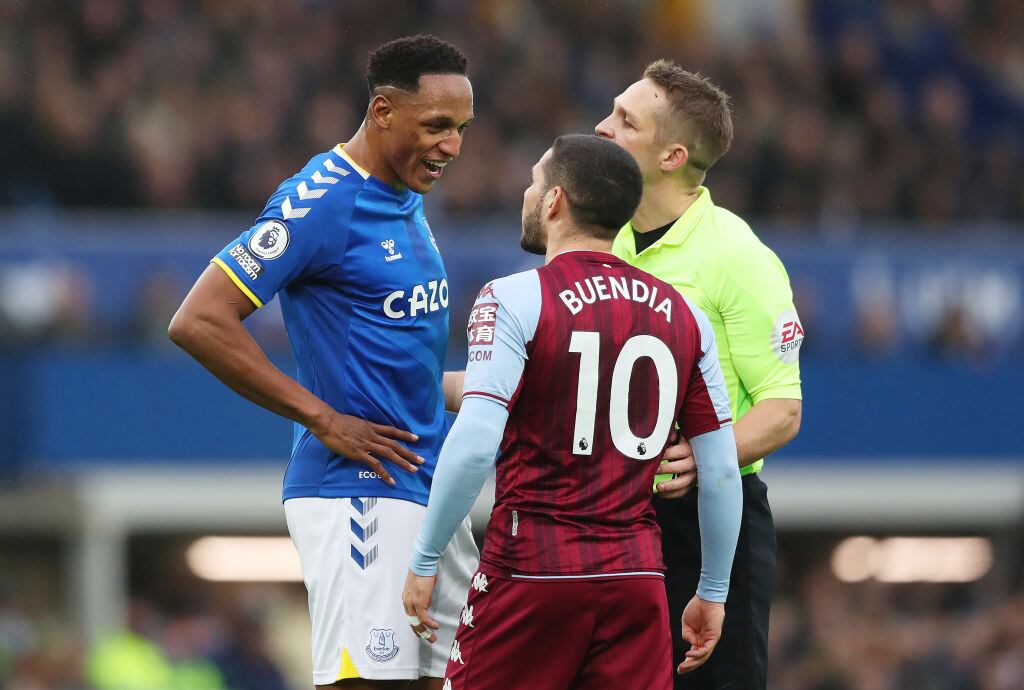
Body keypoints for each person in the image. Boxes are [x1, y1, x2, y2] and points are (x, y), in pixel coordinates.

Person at [169, 35, 478, 690]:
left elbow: (390, 355)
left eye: (460, 129)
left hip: (426, 486)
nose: (452, 145)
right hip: (358, 493)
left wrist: (477, 389)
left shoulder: (405, 195)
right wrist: (323, 419)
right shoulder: (322, 201)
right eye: (437, 126)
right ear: (383, 111)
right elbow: (197, 319)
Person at [401, 134, 743, 690]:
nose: (528, 194)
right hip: (637, 580)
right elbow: (723, 471)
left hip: (532, 568)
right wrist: (713, 591)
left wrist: (425, 557)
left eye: (535, 183)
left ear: (555, 201)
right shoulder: (685, 316)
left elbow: (476, 441)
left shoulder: (513, 297)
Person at [595, 59, 805, 689]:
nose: (602, 128)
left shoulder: (736, 256)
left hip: (706, 523)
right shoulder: (603, 239)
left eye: (625, 122)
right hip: (612, 511)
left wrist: (703, 455)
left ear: (671, 155)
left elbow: (783, 406)